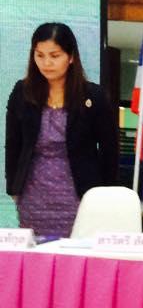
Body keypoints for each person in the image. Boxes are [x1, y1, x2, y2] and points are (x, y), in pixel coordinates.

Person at [5, 22, 119, 238]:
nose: (46, 63)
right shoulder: (22, 92)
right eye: (40, 55)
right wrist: (13, 187)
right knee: (38, 252)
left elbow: (109, 150)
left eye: (55, 56)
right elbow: (13, 144)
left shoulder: (93, 96)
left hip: (80, 193)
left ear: (71, 57)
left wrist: (104, 194)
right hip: (33, 193)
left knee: (78, 251)